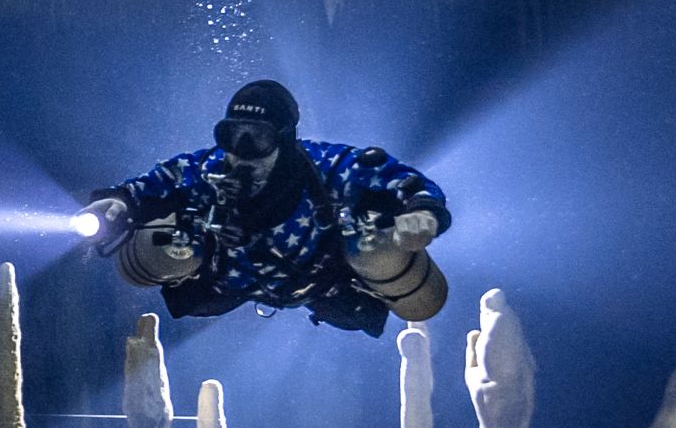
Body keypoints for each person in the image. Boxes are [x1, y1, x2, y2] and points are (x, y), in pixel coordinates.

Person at [81, 79, 449, 335]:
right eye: (231, 135)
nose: (241, 151)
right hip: (224, 283)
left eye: (258, 138)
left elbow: (403, 180)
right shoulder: (204, 169)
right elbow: (150, 185)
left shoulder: (328, 167)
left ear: (285, 140)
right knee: (172, 241)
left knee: (376, 249)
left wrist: (422, 211)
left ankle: (387, 270)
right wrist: (115, 204)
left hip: (322, 283)